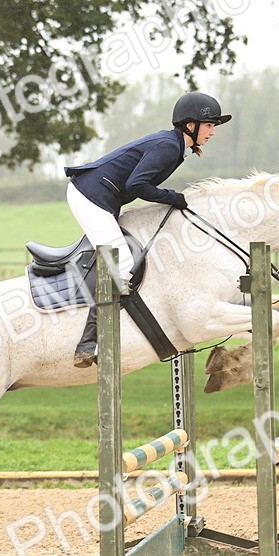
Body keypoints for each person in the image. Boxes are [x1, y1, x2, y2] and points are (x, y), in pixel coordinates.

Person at [63, 91, 230, 368]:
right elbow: (136, 186)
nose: (212, 132)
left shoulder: (173, 145)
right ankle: (88, 343)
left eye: (213, 126)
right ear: (191, 125)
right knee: (124, 262)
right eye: (210, 125)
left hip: (98, 195)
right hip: (90, 197)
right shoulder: (167, 146)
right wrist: (171, 197)